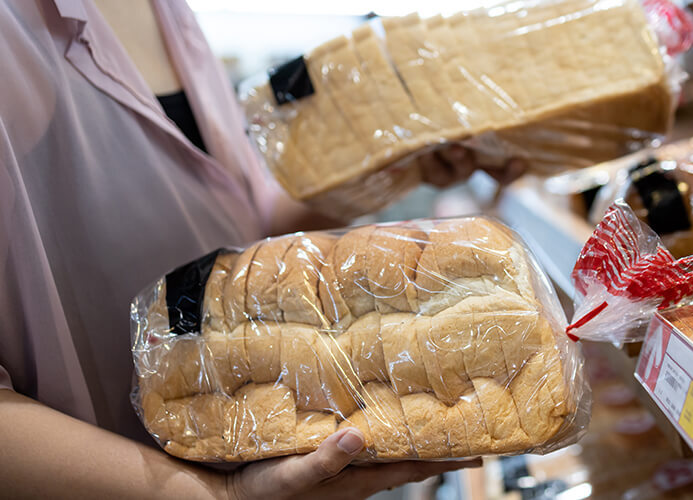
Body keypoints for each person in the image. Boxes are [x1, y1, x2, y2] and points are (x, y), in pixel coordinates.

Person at [0, 0, 523, 497]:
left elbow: (241, 227)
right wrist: (218, 495)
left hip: (250, 437)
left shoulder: (170, 12)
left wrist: (396, 166)